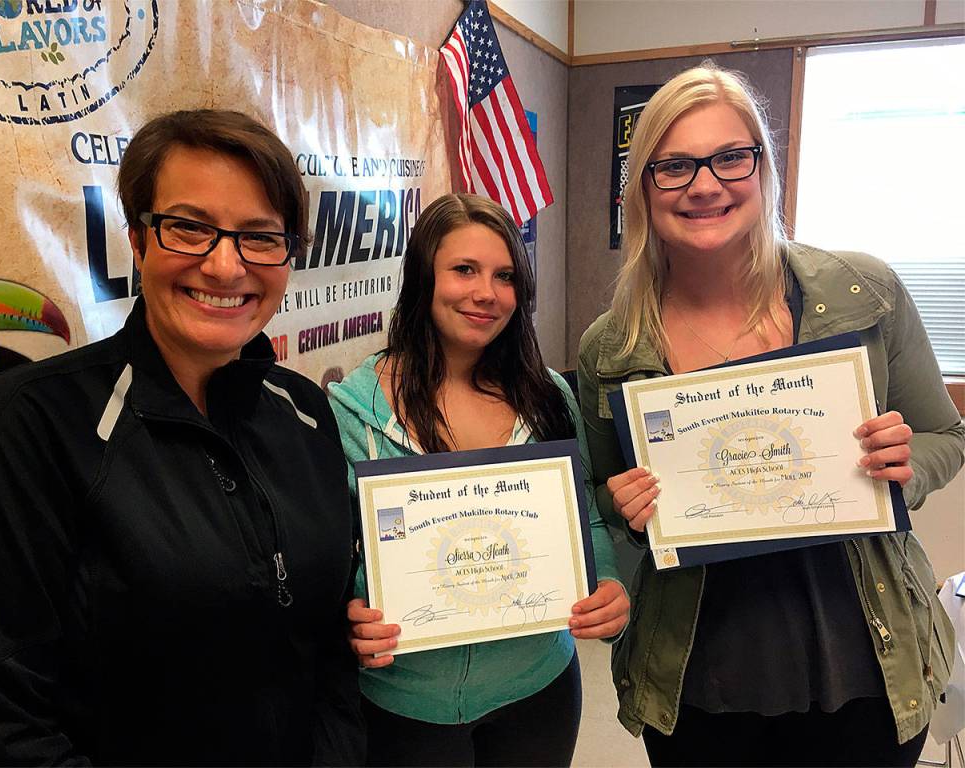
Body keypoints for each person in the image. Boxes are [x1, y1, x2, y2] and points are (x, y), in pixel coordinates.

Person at [0, 110, 364, 766]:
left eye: (260, 237)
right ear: (138, 241)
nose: (226, 267)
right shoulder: (24, 427)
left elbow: (329, 651)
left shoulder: (306, 413)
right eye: (190, 228)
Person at [578, 63, 964, 767]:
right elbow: (606, 507)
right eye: (675, 166)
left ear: (763, 169)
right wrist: (622, 505)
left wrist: (903, 469)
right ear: (642, 188)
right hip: (698, 675)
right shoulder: (611, 347)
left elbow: (946, 436)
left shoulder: (863, 290)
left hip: (863, 663)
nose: (705, 183)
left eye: (730, 157)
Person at [328, 193, 629, 767]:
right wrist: (350, 612)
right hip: (403, 707)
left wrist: (609, 584)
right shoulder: (349, 411)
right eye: (463, 269)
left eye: (505, 275)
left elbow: (584, 517)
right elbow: (334, 554)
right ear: (423, 277)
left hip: (538, 689)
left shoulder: (548, 398)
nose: (486, 293)